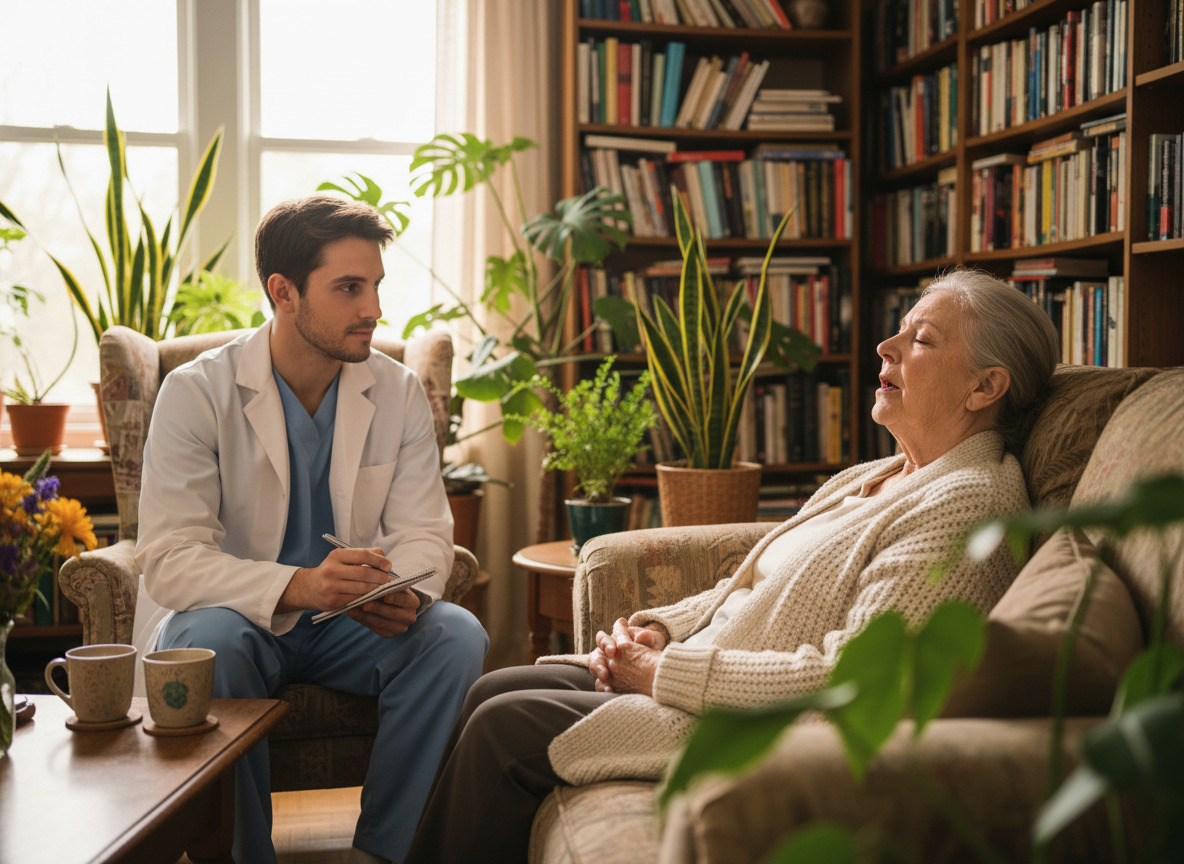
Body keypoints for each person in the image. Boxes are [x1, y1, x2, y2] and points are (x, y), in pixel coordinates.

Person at [402, 268, 1062, 863]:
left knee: (500, 727)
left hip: (746, 717)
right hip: (699, 672)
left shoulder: (969, 508)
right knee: (492, 688)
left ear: (986, 386)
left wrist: (666, 672)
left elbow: (852, 683)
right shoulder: (881, 473)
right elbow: (754, 581)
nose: (887, 349)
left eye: (920, 339)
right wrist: (661, 628)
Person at [134, 195, 488, 864]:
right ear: (283, 292)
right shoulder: (195, 392)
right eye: (349, 288)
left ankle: (388, 850)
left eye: (376, 285)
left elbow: (423, 530)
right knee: (210, 642)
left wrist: (401, 590)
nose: (373, 309)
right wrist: (299, 585)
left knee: (454, 637)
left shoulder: (400, 390)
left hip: (350, 623)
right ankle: (241, 856)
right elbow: (170, 560)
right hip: (237, 619)